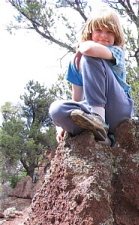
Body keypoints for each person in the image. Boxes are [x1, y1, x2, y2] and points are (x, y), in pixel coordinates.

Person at [49, 8, 134, 146]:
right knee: (56, 109)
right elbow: (76, 100)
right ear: (90, 32)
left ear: (116, 35)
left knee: (90, 57)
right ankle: (104, 139)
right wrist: (63, 125)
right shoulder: (75, 63)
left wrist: (82, 47)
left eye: (109, 31)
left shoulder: (116, 51)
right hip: (92, 113)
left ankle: (98, 120)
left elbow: (89, 50)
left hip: (118, 110)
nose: (103, 36)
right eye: (98, 30)